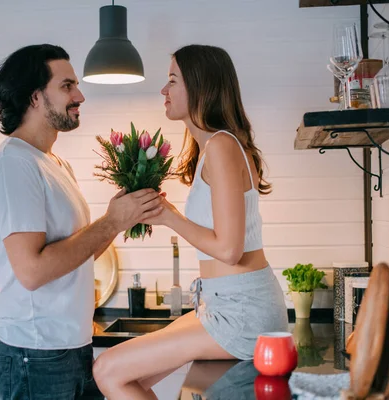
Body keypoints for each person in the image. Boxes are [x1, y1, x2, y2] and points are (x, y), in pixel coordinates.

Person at [92, 44, 288, 399]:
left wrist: (169, 217)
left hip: (241, 313)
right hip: (223, 304)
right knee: (126, 375)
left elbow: (229, 250)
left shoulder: (222, 146)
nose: (164, 91)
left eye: (172, 80)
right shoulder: (213, 148)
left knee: (107, 370)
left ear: (200, 86)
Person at [0, 44, 163, 400]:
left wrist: (120, 219)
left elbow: (74, 255)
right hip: (32, 352)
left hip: (61, 347)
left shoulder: (53, 164)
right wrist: (111, 222)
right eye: (66, 86)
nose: (79, 95)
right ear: (35, 97)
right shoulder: (14, 164)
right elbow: (32, 271)